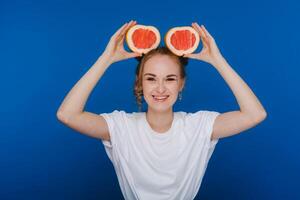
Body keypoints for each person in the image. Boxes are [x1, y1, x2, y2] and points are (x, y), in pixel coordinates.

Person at [56, 20, 267, 200]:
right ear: (140, 83)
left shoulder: (199, 126)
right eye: (151, 79)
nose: (160, 88)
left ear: (181, 84)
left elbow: (255, 114)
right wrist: (106, 58)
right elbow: (67, 115)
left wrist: (217, 60)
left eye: (170, 79)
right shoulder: (121, 126)